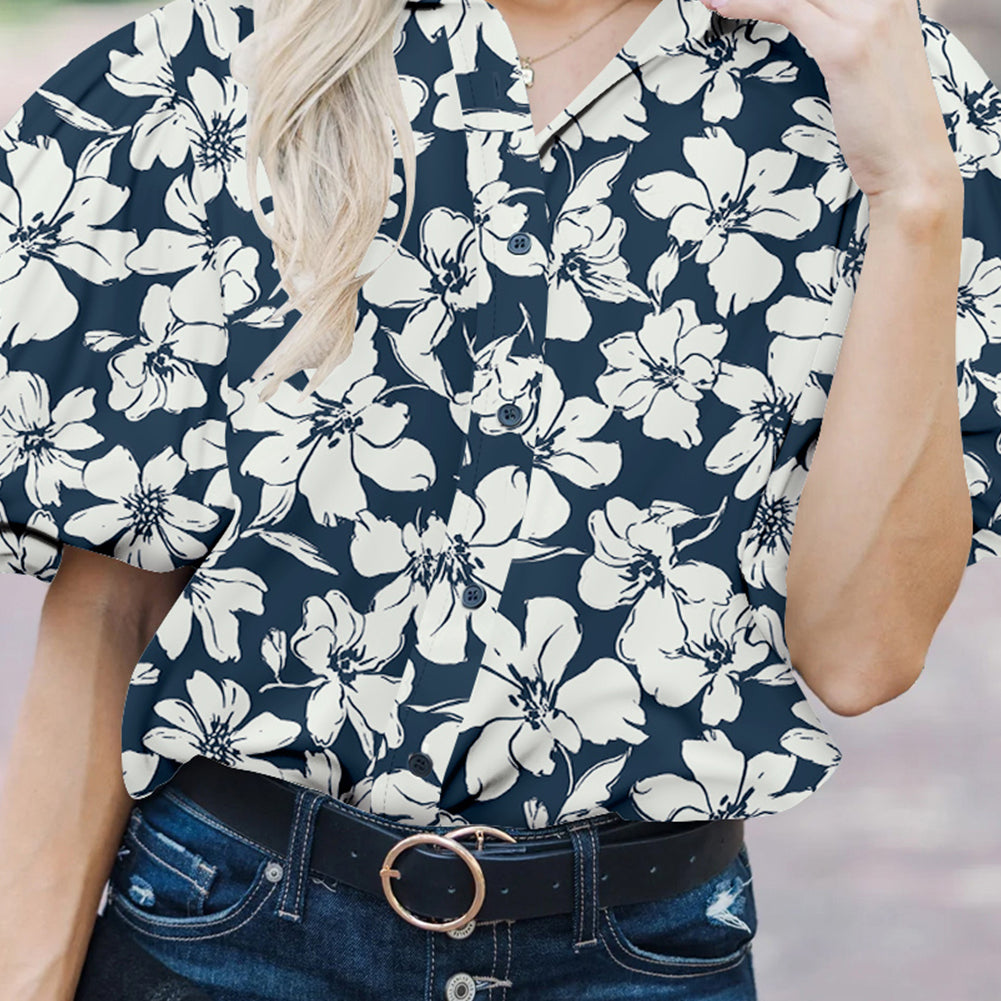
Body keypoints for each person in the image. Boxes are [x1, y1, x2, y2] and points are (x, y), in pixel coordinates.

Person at [0, 0, 998, 998]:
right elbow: (109, 607)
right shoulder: (218, 63)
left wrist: (910, 191)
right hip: (227, 936)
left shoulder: (888, 80)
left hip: (635, 958)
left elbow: (861, 654)